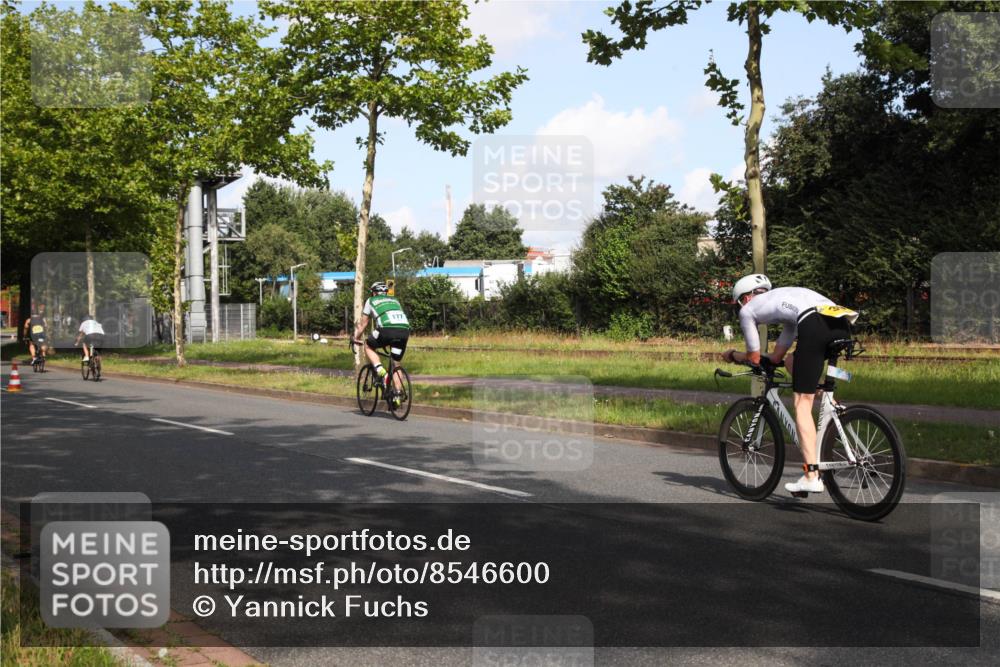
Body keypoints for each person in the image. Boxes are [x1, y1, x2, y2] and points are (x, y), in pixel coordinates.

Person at [721, 274, 859, 495]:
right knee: (793, 361)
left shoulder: (748, 310)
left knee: (801, 404)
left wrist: (732, 355)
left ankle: (811, 476)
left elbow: (754, 357)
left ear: (745, 298)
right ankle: (828, 402)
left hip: (814, 324)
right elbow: (777, 358)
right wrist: (772, 359)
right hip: (840, 322)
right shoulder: (785, 301)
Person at [352, 282, 411, 405]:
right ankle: (397, 395)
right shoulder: (394, 300)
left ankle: (380, 371)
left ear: (373, 292)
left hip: (386, 330)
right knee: (396, 363)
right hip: (404, 331)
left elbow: (363, 324)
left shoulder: (371, 300)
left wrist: (355, 337)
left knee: (368, 345)